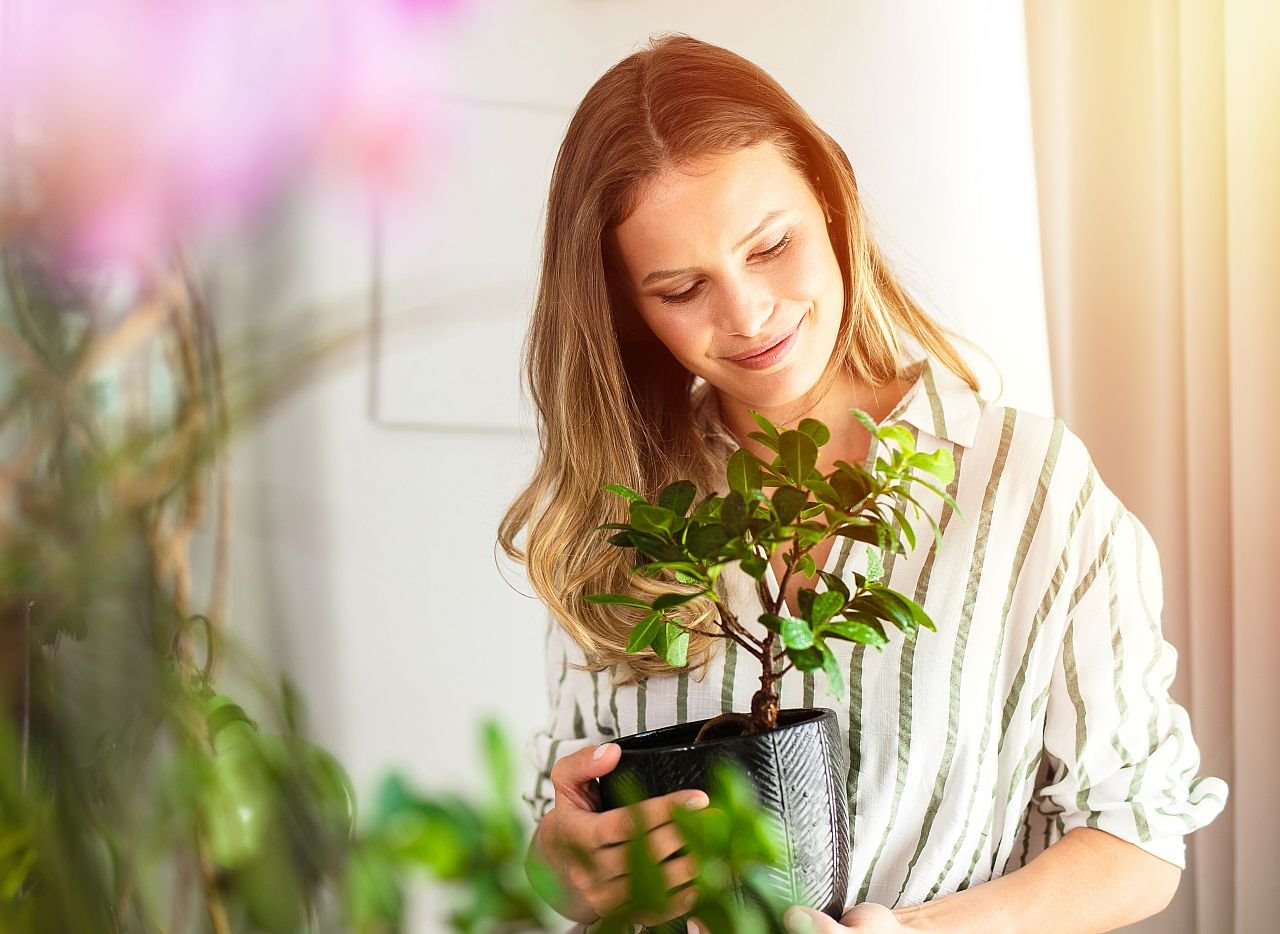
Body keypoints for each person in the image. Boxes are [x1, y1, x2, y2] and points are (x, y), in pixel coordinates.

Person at [497, 32, 1228, 933]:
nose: (748, 314)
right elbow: (563, 817)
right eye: (682, 288)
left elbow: (1138, 832)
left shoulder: (1027, 487)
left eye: (770, 247)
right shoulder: (623, 520)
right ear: (627, 310)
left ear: (831, 204)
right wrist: (565, 864)